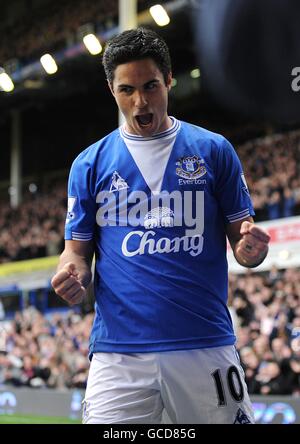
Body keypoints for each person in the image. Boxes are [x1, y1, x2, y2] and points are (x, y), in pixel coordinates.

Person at [51, 27, 270, 424]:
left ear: (169, 79)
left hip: (204, 345)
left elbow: (243, 239)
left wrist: (250, 250)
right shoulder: (89, 164)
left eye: (151, 86)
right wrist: (73, 273)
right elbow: (77, 251)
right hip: (119, 354)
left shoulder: (213, 150)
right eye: (126, 90)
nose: (140, 101)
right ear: (111, 90)